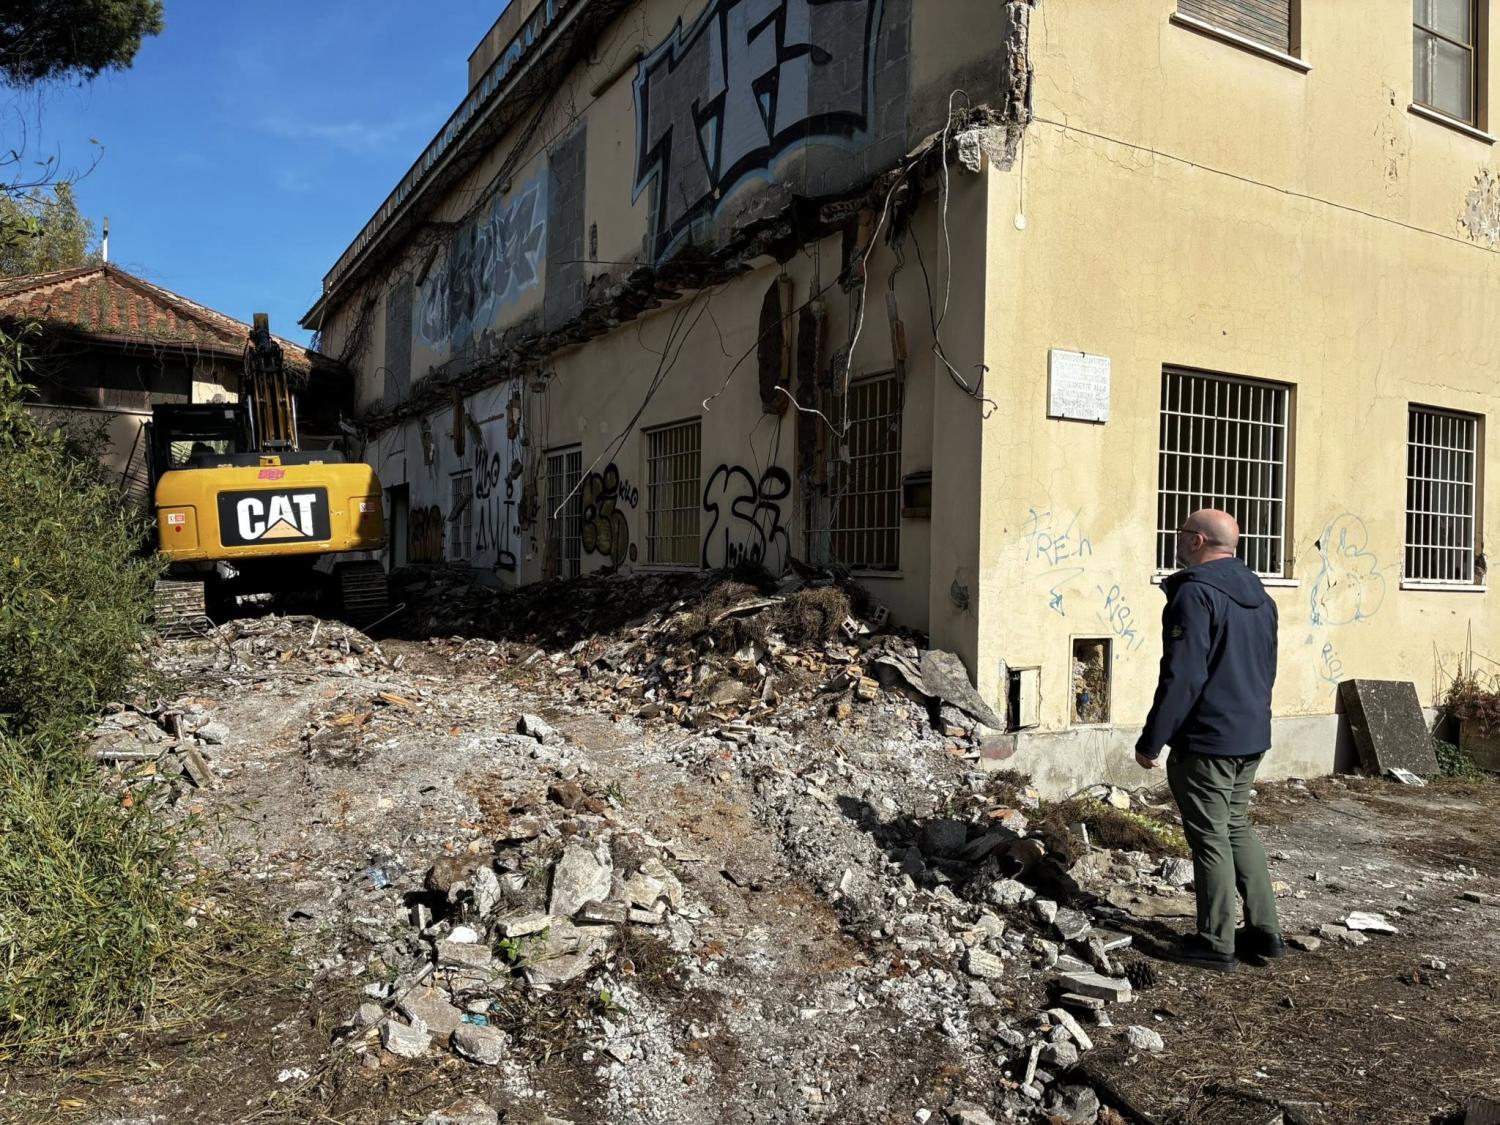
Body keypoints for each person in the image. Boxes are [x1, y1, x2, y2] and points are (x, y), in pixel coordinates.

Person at [1135, 508, 1283, 971]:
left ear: (1196, 540)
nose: (1177, 540)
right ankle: (1264, 931)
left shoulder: (1195, 594)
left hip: (1208, 740)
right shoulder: (1261, 597)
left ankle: (1215, 941)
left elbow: (1183, 675)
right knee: (1236, 825)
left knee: (1210, 837)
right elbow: (1267, 667)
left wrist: (1153, 739)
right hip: (1250, 734)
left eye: (1181, 533)